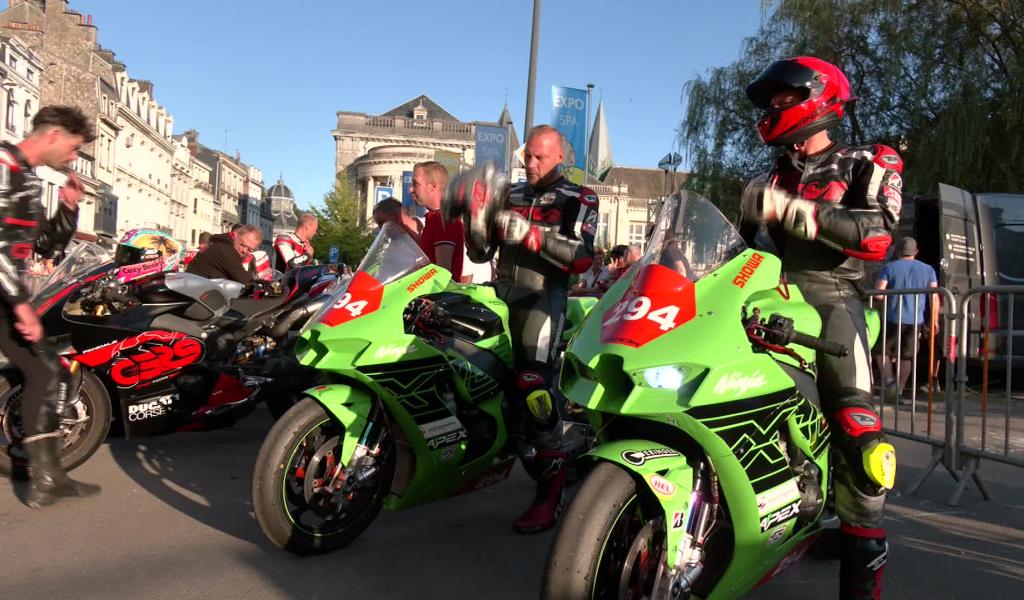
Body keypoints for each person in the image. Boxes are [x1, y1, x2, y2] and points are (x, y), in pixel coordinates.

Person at [741, 56, 902, 599]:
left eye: (783, 98)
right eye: (771, 102)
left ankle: (862, 563)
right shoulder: (764, 177)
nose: (773, 109)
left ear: (820, 97)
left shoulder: (869, 160)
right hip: (770, 294)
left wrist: (795, 213)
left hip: (836, 299)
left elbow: (880, 235)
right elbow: (739, 251)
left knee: (861, 440)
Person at [451, 125, 599, 533]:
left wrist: (532, 235)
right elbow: (479, 251)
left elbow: (583, 258)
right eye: (527, 157)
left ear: (559, 158)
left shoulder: (579, 197)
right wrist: (474, 216)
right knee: (463, 362)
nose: (530, 164)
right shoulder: (510, 195)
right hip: (500, 295)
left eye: (540, 158)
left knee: (535, 387)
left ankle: (549, 497)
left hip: (543, 299)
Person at [0, 105, 101, 508]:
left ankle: (48, 477)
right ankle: (47, 478)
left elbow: (44, 248)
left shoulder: (25, 178)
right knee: (43, 370)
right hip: (7, 297)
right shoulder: (4, 166)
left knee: (47, 371)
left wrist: (69, 205)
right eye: (74, 148)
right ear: (54, 136)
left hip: (6, 296)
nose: (74, 157)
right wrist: (22, 304)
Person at [874, 236, 938, 401]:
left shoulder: (889, 267)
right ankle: (900, 390)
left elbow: (879, 293)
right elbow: (934, 297)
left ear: (897, 251)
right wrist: (934, 320)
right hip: (915, 320)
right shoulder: (928, 269)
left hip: (892, 318)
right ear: (915, 252)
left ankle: (889, 381)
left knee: (881, 352)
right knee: (907, 356)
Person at [410, 161, 464, 282]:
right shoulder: (435, 218)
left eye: (415, 184)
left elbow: (442, 273)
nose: (410, 189)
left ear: (433, 186)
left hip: (435, 298)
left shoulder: (442, 219)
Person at [186, 224, 261, 283]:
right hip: (194, 292)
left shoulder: (222, 243)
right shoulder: (226, 250)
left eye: (249, 249)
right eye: (242, 245)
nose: (244, 250)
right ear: (236, 236)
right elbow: (245, 280)